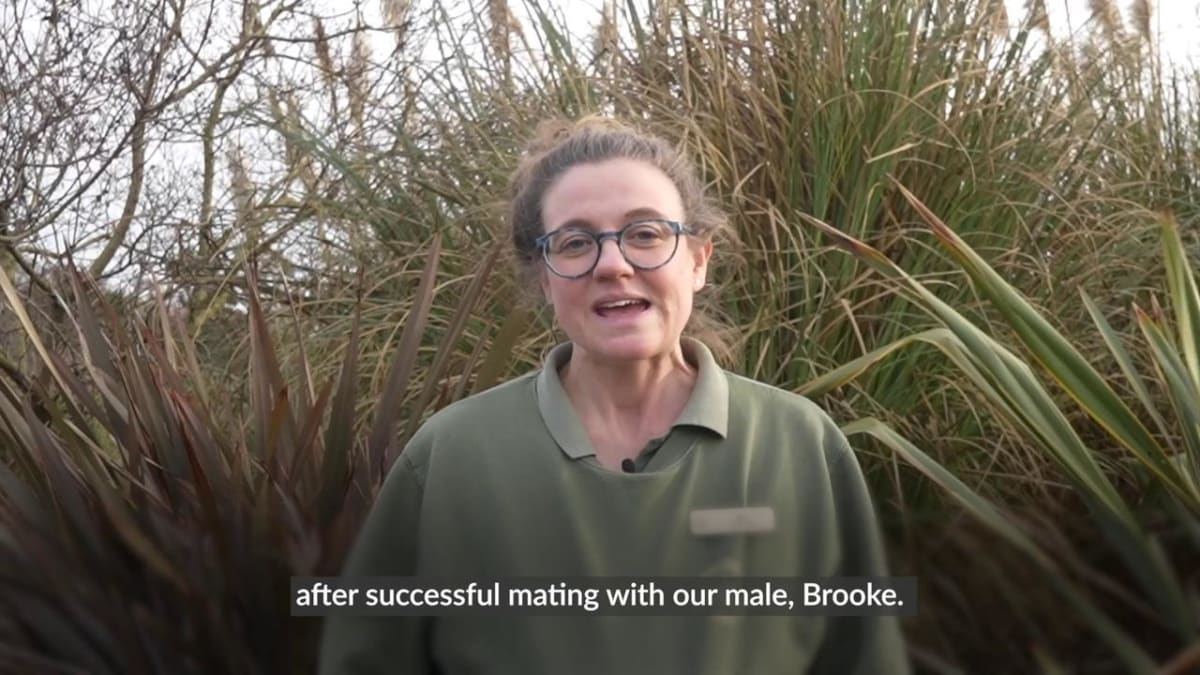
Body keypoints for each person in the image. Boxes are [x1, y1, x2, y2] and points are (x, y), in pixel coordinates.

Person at [317, 116, 909, 674]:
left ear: (698, 260)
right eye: (574, 244)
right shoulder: (450, 459)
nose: (613, 264)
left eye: (646, 233)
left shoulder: (801, 445)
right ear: (543, 277)